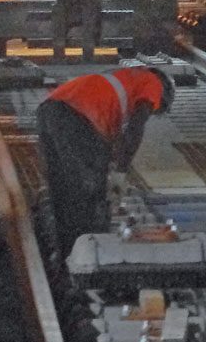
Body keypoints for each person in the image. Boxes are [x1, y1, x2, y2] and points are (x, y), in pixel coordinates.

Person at [36, 64, 175, 255]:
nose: (152, 110)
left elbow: (113, 144)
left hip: (49, 111)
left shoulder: (123, 81)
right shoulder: (152, 82)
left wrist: (113, 164)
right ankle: (94, 249)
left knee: (63, 189)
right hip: (79, 116)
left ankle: (67, 253)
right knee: (91, 191)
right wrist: (120, 173)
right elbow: (135, 129)